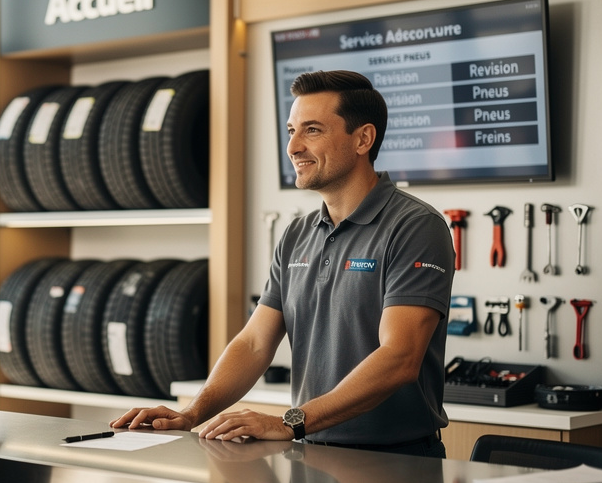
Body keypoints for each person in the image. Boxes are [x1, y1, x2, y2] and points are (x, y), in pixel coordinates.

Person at [113, 69, 454, 457]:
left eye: (311, 130)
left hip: (398, 460)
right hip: (311, 451)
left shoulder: (415, 227)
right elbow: (255, 343)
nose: (292, 147)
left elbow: (400, 358)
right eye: (291, 130)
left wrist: (289, 422)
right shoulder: (297, 234)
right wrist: (192, 414)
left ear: (363, 139)